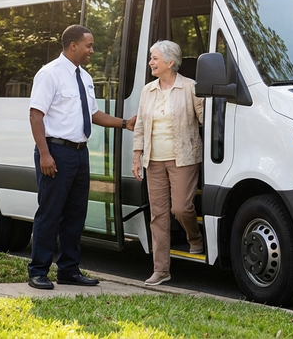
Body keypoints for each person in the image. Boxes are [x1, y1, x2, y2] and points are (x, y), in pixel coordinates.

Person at [27, 24, 136, 290]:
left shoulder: (85, 77)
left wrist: (125, 123)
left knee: (76, 214)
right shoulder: (49, 74)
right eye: (89, 45)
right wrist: (44, 154)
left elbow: (94, 115)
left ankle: (68, 270)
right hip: (56, 152)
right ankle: (38, 271)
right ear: (73, 45)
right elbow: (35, 115)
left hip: (79, 153)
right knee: (50, 212)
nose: (92, 50)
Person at [131, 40, 205, 286]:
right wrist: (136, 156)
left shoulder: (190, 88)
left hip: (184, 158)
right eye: (151, 58)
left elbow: (207, 119)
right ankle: (161, 269)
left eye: (154, 58)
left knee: (181, 208)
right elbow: (140, 124)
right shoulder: (147, 90)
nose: (150, 62)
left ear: (170, 62)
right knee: (158, 215)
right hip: (154, 160)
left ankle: (195, 238)